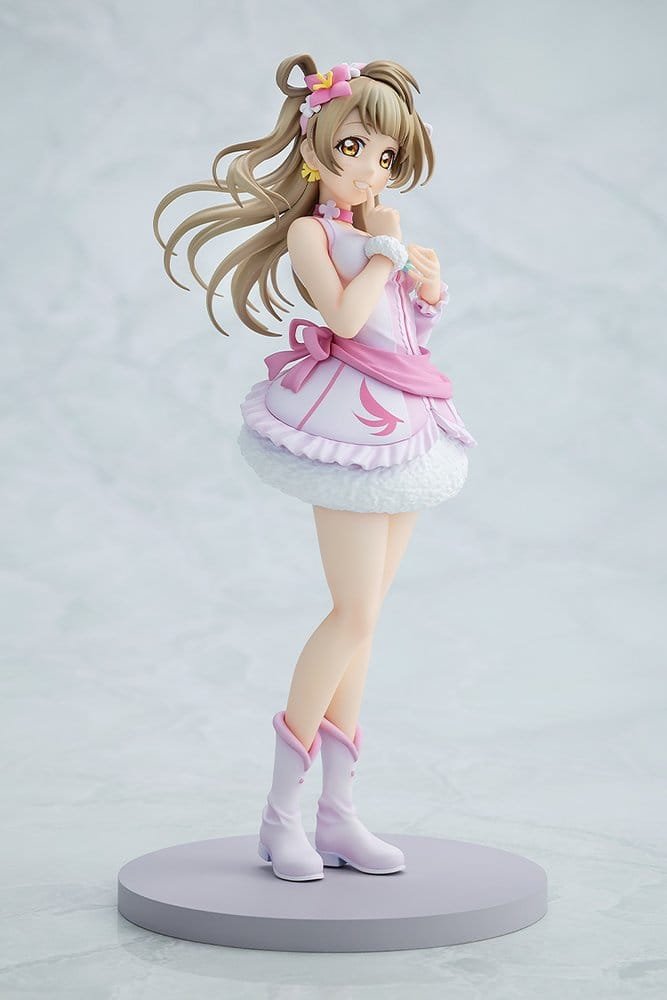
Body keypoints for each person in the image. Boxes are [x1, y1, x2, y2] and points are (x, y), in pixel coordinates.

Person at [154, 54, 477, 882]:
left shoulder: (373, 231)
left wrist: (427, 288)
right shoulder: (314, 233)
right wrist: (385, 254)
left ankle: (338, 813)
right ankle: (279, 816)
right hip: (348, 422)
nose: (370, 169)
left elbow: (402, 335)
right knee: (351, 615)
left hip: (406, 417)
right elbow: (343, 313)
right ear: (315, 147)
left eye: (386, 156)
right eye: (355, 148)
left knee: (367, 621)